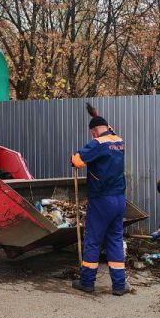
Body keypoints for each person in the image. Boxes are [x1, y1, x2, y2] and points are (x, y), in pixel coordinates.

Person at [70, 112, 128, 295]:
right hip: (119, 198)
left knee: (93, 240)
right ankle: (119, 286)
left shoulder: (97, 143)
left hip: (102, 199)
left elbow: (78, 162)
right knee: (115, 239)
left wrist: (74, 156)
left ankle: (87, 282)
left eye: (92, 133)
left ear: (94, 132)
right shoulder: (119, 141)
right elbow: (108, 132)